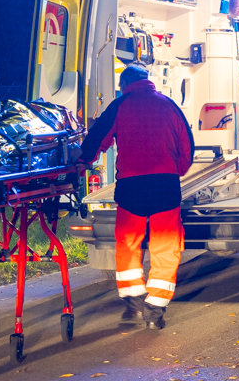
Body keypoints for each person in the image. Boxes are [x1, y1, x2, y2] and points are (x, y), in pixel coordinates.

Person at [77, 64, 194, 330]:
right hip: (165, 184)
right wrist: (178, 170)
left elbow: (96, 140)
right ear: (147, 81)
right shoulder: (169, 105)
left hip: (131, 186)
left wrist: (82, 161)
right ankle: (156, 305)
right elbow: (187, 143)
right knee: (165, 245)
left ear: (123, 85)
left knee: (128, 242)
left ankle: (133, 295)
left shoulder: (120, 105)